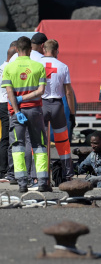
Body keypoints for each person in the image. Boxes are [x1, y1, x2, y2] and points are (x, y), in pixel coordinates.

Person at [1, 36, 50, 193]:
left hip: (16, 113)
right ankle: (42, 181)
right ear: (31, 49)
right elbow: (41, 91)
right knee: (39, 145)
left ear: (16, 49)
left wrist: (17, 110)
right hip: (35, 110)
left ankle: (22, 182)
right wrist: (27, 97)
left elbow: (9, 93)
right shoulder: (38, 66)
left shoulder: (9, 68)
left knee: (17, 146)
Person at [39, 39, 75, 183]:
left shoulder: (36, 65)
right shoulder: (63, 66)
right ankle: (67, 173)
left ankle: (39, 175)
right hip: (57, 106)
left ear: (44, 49)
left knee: (39, 140)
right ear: (56, 51)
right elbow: (68, 93)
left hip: (40, 104)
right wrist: (72, 114)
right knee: (63, 141)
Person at [0, 46, 17, 181]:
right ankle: (4, 170)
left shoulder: (1, 67)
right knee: (7, 138)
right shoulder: (10, 69)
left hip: (1, 103)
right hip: (7, 104)